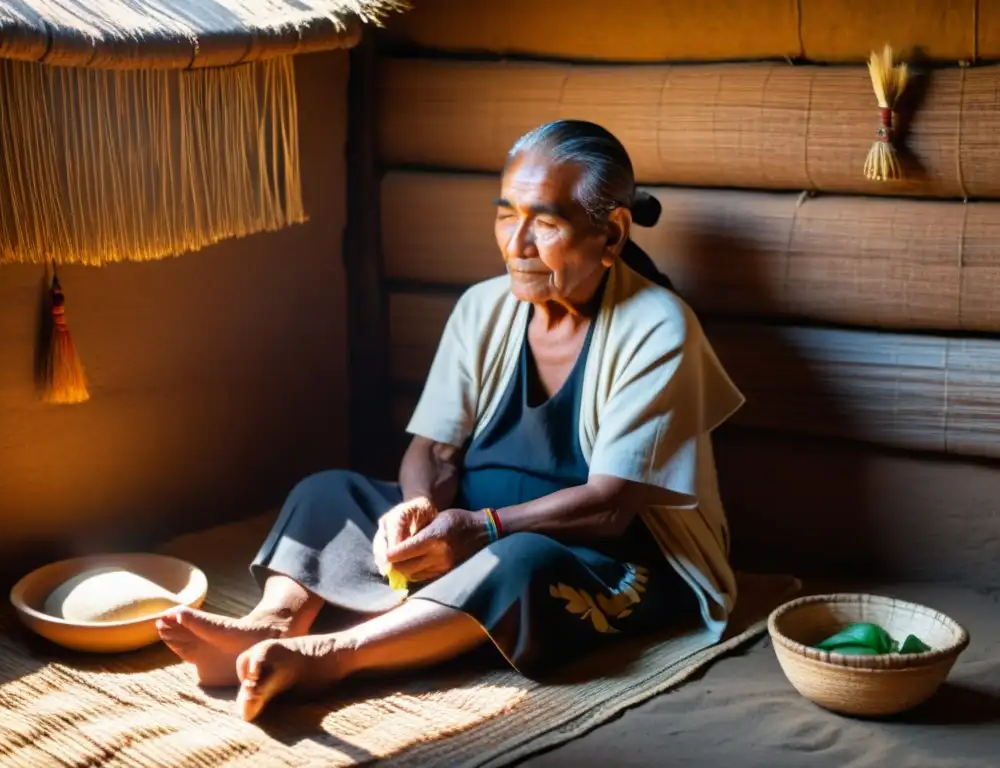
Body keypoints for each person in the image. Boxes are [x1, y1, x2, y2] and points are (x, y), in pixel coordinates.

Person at [157, 119, 745, 722]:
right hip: (469, 522)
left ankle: (331, 654)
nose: (516, 244)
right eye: (505, 214)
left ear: (611, 234)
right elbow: (433, 452)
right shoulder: (482, 308)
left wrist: (485, 530)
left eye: (544, 222)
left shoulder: (658, 327)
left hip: (601, 557)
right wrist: (418, 508)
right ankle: (270, 622)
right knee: (328, 492)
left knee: (520, 562)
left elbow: (609, 505)